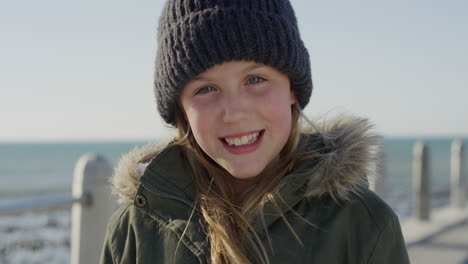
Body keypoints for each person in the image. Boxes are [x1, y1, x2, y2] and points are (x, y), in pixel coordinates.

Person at [100, 0, 410, 263]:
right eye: (206, 88)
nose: (234, 113)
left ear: (292, 89)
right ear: (181, 108)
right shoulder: (134, 231)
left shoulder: (363, 224)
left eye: (255, 80)